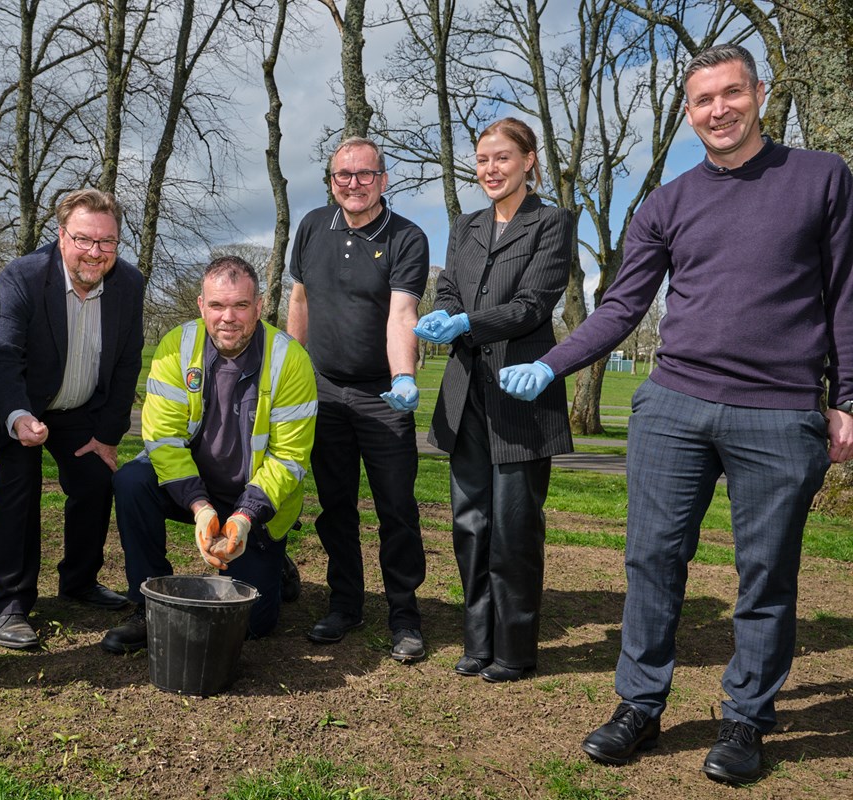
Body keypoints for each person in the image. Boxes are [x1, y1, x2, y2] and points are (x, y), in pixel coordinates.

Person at [499, 44, 853, 785]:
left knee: (766, 574)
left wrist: (847, 397)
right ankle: (640, 705)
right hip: (673, 407)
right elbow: (624, 305)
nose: (718, 110)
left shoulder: (821, 178)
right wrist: (553, 363)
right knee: (652, 561)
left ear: (759, 92)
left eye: (731, 93)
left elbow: (846, 292)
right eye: (702, 101)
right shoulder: (667, 202)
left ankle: (748, 718)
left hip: (780, 411)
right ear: (687, 111)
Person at [414, 118, 573, 683]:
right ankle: (477, 640)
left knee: (514, 526)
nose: (490, 169)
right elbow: (449, 287)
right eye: (482, 160)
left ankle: (514, 648)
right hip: (466, 395)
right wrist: (443, 310)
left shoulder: (552, 223)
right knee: (470, 524)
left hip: (520, 399)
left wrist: (466, 322)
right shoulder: (465, 225)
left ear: (529, 161)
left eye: (502, 158)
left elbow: (532, 305)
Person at [0, 189, 144, 649]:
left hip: (80, 407)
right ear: (61, 236)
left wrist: (107, 435)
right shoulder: (23, 276)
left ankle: (78, 581)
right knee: (19, 486)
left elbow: (126, 364)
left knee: (97, 479)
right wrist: (18, 417)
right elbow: (2, 357)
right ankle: (11, 604)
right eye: (84, 239)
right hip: (18, 400)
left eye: (107, 243)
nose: (95, 253)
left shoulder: (129, 284)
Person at [101, 256, 317, 653]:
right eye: (216, 306)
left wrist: (245, 517)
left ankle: (276, 563)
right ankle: (147, 602)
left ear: (259, 304)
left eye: (239, 305)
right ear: (201, 306)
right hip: (194, 488)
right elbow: (162, 439)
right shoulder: (177, 347)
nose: (227, 318)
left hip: (254, 502)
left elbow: (290, 459)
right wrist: (200, 507)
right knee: (131, 480)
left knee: (253, 626)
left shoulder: (291, 360)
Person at [287, 136, 430, 663]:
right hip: (322, 391)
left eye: (364, 174)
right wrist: (290, 370)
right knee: (335, 505)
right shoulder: (310, 227)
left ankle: (404, 613)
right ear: (330, 180)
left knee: (396, 507)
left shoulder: (407, 238)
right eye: (343, 175)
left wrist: (403, 376)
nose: (353, 183)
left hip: (382, 394)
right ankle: (345, 603)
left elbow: (401, 314)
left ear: (383, 180)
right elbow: (298, 300)